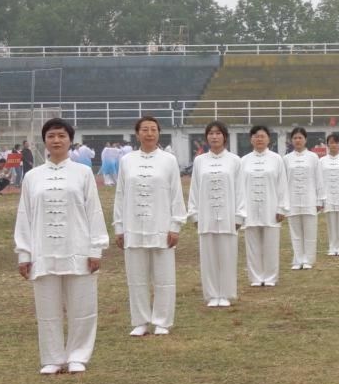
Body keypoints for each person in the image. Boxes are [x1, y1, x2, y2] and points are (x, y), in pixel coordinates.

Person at [14, 118, 108, 374]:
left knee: (82, 305)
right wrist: (24, 253)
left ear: (70, 140)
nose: (56, 140)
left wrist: (96, 248)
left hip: (78, 247)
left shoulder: (83, 173)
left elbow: (94, 211)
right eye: (51, 136)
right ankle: (52, 357)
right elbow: (25, 215)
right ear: (44, 140)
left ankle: (78, 355)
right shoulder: (32, 177)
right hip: (43, 250)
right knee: (47, 307)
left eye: (61, 136)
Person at [113, 116, 186, 336]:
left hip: (161, 225)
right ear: (137, 134)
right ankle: (140, 321)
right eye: (144, 129)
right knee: (136, 278)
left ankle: (162, 321)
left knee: (164, 278)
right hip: (133, 226)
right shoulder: (127, 160)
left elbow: (176, 193)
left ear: (159, 133)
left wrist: (175, 225)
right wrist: (119, 227)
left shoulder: (169, 160)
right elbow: (120, 194)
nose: (149, 133)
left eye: (153, 129)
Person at [186, 121, 244, 307]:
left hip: (228, 215)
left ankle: (225, 293)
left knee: (227, 255)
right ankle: (212, 294)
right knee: (208, 256)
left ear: (225, 137)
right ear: (206, 137)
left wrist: (239, 215)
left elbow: (240, 190)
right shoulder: (199, 161)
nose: (214, 136)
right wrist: (194, 214)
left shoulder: (235, 160)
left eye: (218, 133)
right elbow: (195, 188)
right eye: (211, 133)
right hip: (206, 214)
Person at [240, 125, 289, 288]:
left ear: (268, 139)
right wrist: (240, 210)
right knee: (252, 245)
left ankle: (270, 277)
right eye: (256, 136)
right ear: (251, 139)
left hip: (271, 206)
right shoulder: (244, 161)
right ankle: (255, 277)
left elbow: (282, 185)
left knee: (271, 244)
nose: (259, 139)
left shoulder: (276, 159)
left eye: (262, 136)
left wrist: (282, 208)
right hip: (250, 207)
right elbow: (239, 187)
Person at [283, 126, 325, 270]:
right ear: (291, 140)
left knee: (309, 232)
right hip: (292, 199)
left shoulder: (313, 157)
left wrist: (320, 199)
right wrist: (284, 202)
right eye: (295, 138)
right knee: (295, 233)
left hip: (309, 199)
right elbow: (283, 182)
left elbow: (319, 179)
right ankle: (298, 259)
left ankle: (308, 260)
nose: (298, 140)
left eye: (300, 137)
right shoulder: (286, 159)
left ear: (305, 139)